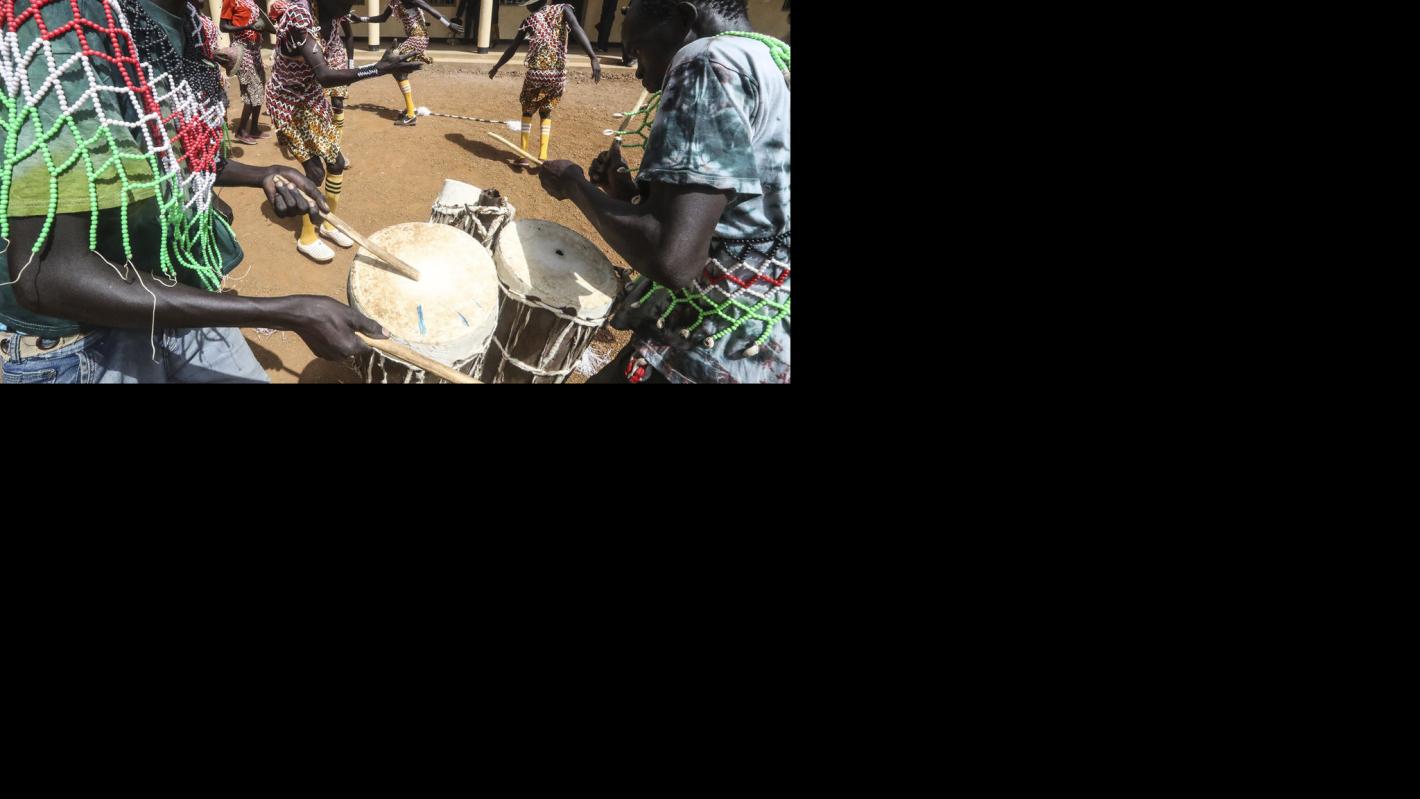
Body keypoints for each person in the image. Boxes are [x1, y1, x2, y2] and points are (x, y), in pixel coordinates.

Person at [0, 0, 388, 383]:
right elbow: (48, 274)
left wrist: (263, 174)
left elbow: (177, 154)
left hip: (176, 289)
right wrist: (284, 313)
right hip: (83, 341)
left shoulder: (188, 22)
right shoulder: (66, 22)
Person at [537, 0, 790, 383]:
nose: (639, 72)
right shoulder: (771, 58)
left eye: (638, 51)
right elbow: (736, 220)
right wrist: (626, 194)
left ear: (680, 17)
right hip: (764, 335)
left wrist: (574, 184)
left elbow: (672, 258)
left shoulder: (708, 61)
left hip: (711, 344)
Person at [267, 0, 423, 262]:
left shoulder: (333, 14)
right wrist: (379, 69)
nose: (350, 6)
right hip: (287, 100)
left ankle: (329, 224)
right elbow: (325, 75)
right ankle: (307, 237)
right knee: (315, 172)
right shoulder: (299, 16)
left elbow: (330, 68)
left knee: (336, 164)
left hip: (311, 95)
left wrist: (381, 66)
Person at [487, 0, 599, 168]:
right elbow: (576, 28)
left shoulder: (528, 21)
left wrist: (497, 67)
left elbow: (512, 48)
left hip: (536, 75)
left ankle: (522, 155)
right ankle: (543, 156)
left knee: (527, 111)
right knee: (546, 112)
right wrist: (593, 57)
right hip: (557, 75)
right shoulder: (564, 10)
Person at [352, 0, 463, 126]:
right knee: (398, 70)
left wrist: (449, 24)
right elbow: (382, 18)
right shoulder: (394, 2)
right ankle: (411, 110)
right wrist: (361, 19)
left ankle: (411, 114)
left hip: (418, 39)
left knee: (397, 68)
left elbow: (429, 9)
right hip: (413, 38)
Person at [219, 0, 269, 143]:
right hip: (242, 50)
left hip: (255, 50)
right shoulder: (230, 1)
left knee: (259, 88)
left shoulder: (250, 1)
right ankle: (240, 131)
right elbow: (223, 27)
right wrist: (248, 27)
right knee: (251, 90)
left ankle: (254, 129)